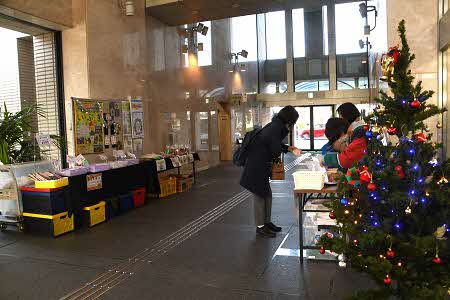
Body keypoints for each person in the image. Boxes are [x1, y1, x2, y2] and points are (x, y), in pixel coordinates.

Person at [240, 106, 301, 238]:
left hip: (261, 164)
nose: (293, 124)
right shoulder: (276, 128)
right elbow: (275, 148)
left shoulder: (275, 125)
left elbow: (273, 144)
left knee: (267, 194)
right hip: (256, 166)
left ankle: (266, 222)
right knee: (259, 195)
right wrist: (286, 149)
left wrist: (289, 148)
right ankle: (260, 227)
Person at [323, 103, 366, 170]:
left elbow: (351, 156)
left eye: (340, 115)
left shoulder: (360, 130)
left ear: (348, 115)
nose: (340, 119)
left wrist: (326, 159)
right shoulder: (355, 128)